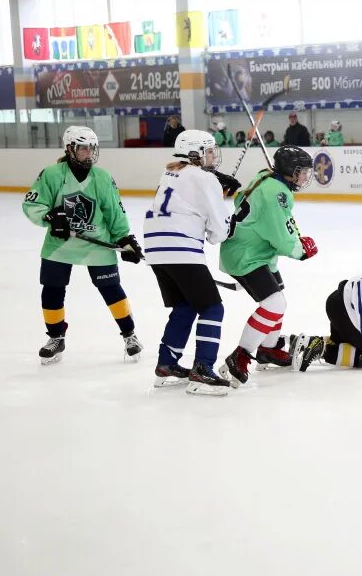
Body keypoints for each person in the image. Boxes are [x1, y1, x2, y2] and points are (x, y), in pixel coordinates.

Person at [21, 126, 144, 364]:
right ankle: (56, 337)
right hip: (60, 245)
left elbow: (114, 211)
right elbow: (32, 204)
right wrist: (49, 217)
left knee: (111, 289)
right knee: (52, 289)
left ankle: (130, 334)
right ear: (69, 149)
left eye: (91, 148)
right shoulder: (51, 174)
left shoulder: (102, 177)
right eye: (83, 149)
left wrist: (124, 238)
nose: (89, 154)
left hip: (96, 244)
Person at [218, 145, 321, 387]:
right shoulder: (276, 192)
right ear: (288, 171)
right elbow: (281, 238)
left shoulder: (266, 177)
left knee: (279, 298)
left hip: (257, 251)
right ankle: (240, 356)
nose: (305, 177)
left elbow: (242, 199)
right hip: (246, 255)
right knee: (274, 304)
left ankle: (269, 349)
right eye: (301, 172)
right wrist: (300, 250)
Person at [144, 130, 234, 396]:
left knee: (185, 306)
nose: (212, 156)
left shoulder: (169, 172)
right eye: (207, 151)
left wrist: (217, 188)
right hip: (181, 248)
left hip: (155, 248)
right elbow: (219, 233)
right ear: (194, 154)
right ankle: (203, 370)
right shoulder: (205, 179)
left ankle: (167, 364)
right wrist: (228, 215)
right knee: (212, 308)